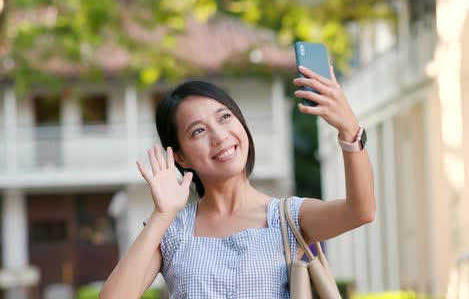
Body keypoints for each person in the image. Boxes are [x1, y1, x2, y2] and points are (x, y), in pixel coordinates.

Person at [99, 65, 375, 298]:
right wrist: (162, 215)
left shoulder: (287, 217)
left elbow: (360, 211)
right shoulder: (173, 230)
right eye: (198, 131)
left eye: (225, 118)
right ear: (181, 157)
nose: (219, 136)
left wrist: (350, 131)